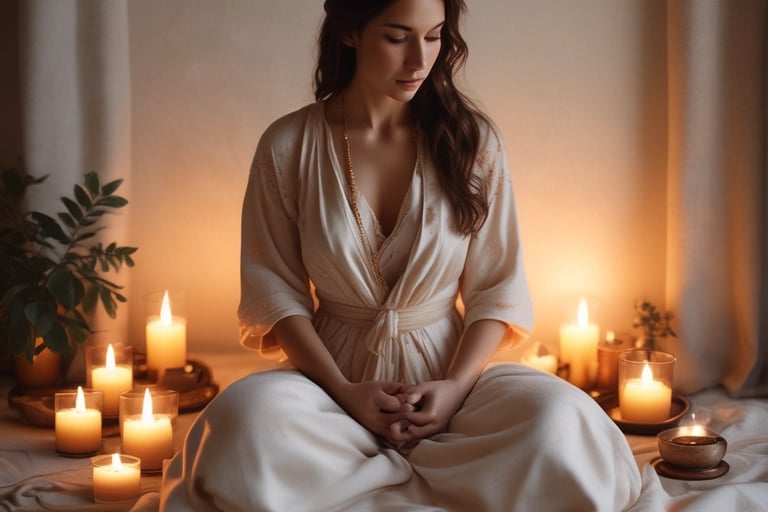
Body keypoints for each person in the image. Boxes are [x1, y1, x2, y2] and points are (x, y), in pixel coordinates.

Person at [161, 1, 642, 510]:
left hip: (453, 382)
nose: (419, 60)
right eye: (397, 37)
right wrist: (346, 392)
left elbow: (495, 292)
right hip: (329, 390)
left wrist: (454, 390)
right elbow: (275, 293)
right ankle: (414, 473)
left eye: (434, 37)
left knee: (562, 423)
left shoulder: (471, 142)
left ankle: (380, 474)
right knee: (238, 424)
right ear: (349, 32)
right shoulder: (288, 145)